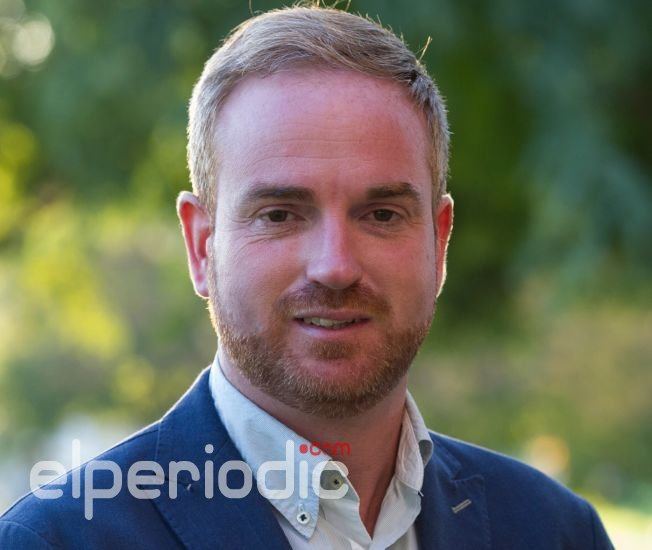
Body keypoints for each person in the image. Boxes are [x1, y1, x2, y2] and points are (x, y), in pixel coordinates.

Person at [0, 6, 613, 549]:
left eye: (381, 214)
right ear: (201, 246)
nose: (335, 266)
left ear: (438, 242)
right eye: (280, 215)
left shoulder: (554, 531)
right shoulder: (57, 541)